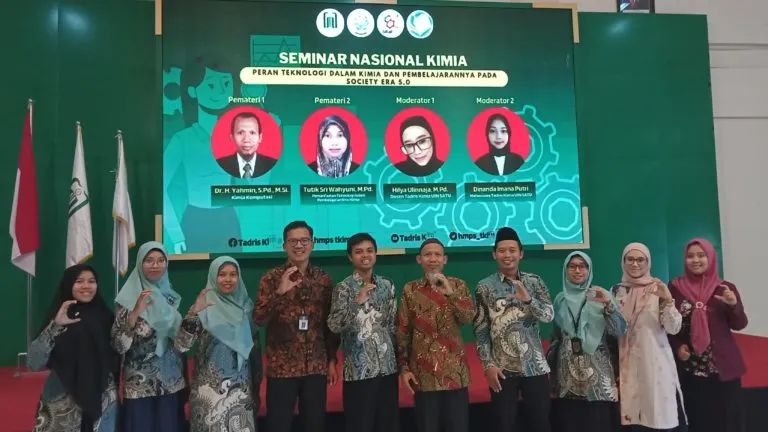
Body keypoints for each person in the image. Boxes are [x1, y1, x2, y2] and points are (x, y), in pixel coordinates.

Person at [253, 221, 340, 432]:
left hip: (316, 367)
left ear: (312, 244)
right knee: (278, 425)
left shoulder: (323, 279)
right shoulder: (271, 278)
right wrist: (280, 293)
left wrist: (331, 359)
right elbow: (259, 319)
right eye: (293, 241)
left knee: (315, 425)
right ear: (284, 245)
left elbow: (330, 324)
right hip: (282, 368)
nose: (299, 245)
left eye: (304, 240)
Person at [472, 227, 554, 432]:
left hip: (534, 366)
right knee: (504, 424)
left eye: (512, 250)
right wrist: (488, 365)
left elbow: (548, 315)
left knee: (541, 424)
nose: (507, 255)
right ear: (494, 254)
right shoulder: (484, 286)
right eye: (502, 251)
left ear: (521, 253)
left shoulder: (534, 282)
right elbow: (481, 330)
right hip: (502, 369)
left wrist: (528, 300)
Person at [668, 238, 748, 432]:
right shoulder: (675, 288)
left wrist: (733, 305)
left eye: (701, 255)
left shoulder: (725, 288)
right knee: (698, 420)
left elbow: (739, 324)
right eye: (690, 256)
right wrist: (677, 347)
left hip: (723, 369)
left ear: (711, 258)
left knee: (728, 421)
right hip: (690, 370)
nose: (696, 260)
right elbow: (667, 326)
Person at [163, 57, 242, 253]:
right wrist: (175, 233)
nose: (221, 92)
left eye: (226, 84)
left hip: (228, 220)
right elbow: (161, 187)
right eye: (211, 85)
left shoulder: (239, 136)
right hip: (195, 220)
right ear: (192, 91)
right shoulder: (182, 139)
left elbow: (260, 183)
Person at [29, 264, 120, 432]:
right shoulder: (58, 316)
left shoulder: (105, 316)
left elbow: (118, 353)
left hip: (102, 396)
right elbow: (34, 363)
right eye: (79, 281)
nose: (86, 286)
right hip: (62, 396)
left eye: (91, 281)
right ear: (69, 284)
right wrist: (55, 326)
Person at [396, 238, 475, 432]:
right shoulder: (410, 289)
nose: (433, 259)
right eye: (427, 255)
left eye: (437, 255)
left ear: (444, 259)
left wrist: (450, 293)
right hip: (423, 376)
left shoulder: (458, 285)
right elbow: (403, 330)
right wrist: (404, 368)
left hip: (454, 374)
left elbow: (467, 317)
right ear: (419, 259)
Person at [176, 256, 262, 431]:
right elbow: (181, 345)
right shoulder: (203, 306)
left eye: (233, 274)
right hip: (208, 393)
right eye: (222, 274)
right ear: (213, 276)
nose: (228, 279)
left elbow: (255, 352)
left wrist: (256, 388)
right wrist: (193, 314)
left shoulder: (246, 309)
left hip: (240, 392)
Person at [328, 233, 400, 432]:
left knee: (388, 424)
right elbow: (334, 325)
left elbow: (393, 326)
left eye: (369, 250)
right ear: (350, 257)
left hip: (387, 369)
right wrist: (356, 303)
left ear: (376, 254)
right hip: (359, 371)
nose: (365, 255)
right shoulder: (343, 288)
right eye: (358, 252)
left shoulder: (387, 285)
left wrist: (401, 362)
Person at [112, 241, 187, 432]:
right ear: (140, 263)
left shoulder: (171, 298)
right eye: (149, 260)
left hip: (171, 382)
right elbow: (119, 346)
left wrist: (193, 315)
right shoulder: (127, 299)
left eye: (161, 260)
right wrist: (134, 314)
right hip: (139, 386)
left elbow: (181, 344)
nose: (155, 265)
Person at [611, 242, 687, 432]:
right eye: (630, 259)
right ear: (623, 262)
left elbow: (673, 328)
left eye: (640, 260)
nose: (635, 264)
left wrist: (667, 299)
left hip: (655, 364)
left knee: (656, 416)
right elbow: (614, 330)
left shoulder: (657, 288)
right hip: (627, 363)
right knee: (633, 419)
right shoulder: (616, 291)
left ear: (648, 262)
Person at [549, 251, 627, 432]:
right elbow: (556, 337)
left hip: (597, 373)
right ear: (566, 270)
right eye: (572, 266)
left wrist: (608, 305)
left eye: (582, 266)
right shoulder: (560, 299)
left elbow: (620, 330)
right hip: (567, 374)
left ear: (589, 269)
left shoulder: (602, 295)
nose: (577, 270)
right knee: (571, 422)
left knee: (597, 422)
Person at [216, 111, 278, 178]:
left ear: (260, 138)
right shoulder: (220, 165)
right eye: (240, 133)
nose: (246, 140)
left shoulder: (272, 165)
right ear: (232, 138)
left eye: (252, 133)